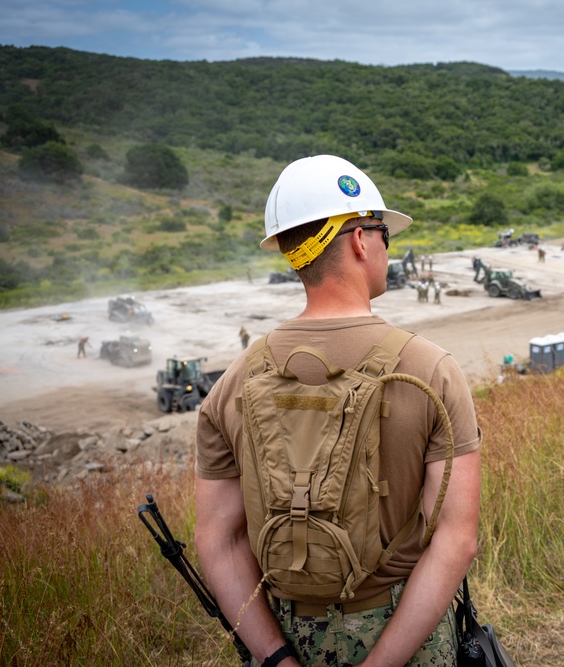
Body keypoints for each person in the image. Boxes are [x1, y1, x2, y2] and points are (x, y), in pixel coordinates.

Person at [194, 155, 481, 667]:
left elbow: (219, 541)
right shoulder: (432, 370)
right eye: (384, 234)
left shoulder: (231, 383)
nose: (386, 249)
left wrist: (276, 658)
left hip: (285, 633)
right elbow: (456, 542)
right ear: (358, 240)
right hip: (405, 639)